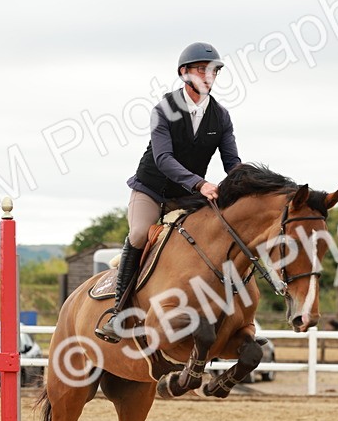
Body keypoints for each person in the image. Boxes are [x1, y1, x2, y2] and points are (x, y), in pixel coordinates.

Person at [95, 41, 241, 342]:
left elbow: (232, 163)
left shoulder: (221, 116)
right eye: (201, 69)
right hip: (152, 190)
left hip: (188, 196)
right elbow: (163, 159)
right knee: (138, 234)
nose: (208, 75)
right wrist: (201, 184)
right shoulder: (165, 109)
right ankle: (119, 312)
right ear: (184, 73)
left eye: (213, 71)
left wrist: (251, 185)